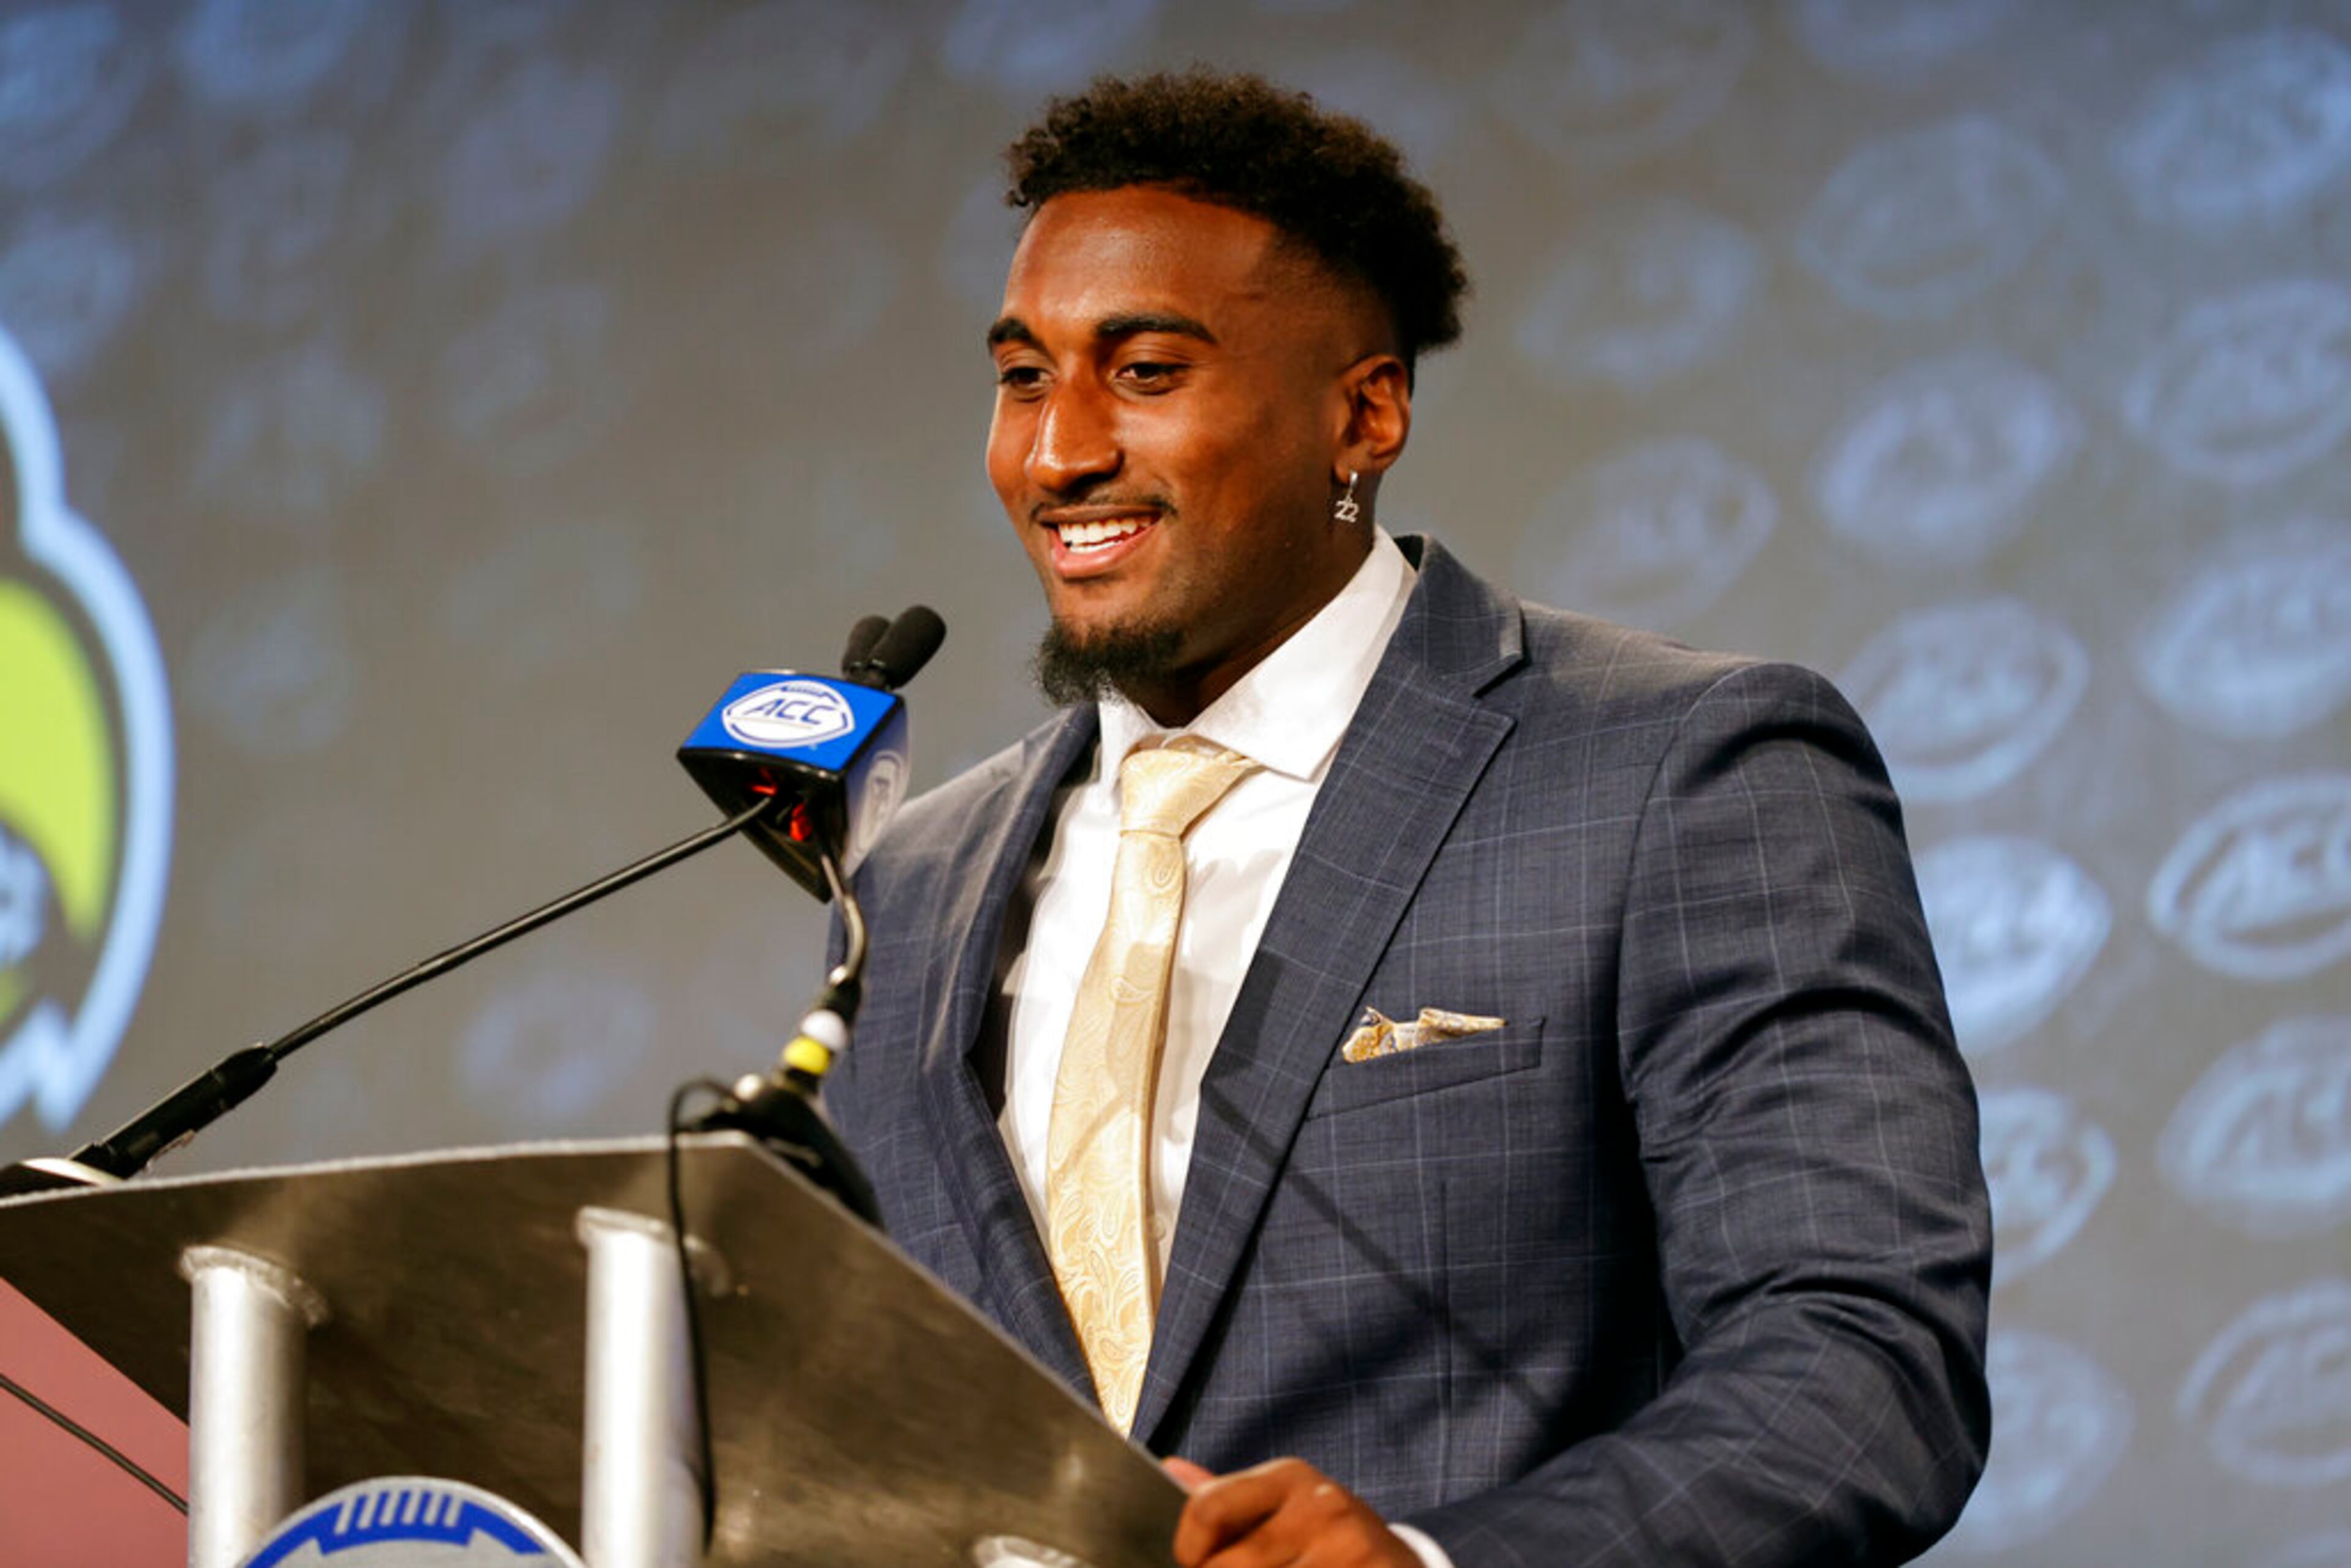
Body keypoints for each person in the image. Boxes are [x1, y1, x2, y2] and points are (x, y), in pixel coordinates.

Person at [825, 70, 1991, 1567]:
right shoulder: (910, 884)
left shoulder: (1681, 769)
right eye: (1024, 377)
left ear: (1362, 414)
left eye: (1147, 370)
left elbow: (1859, 1365)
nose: (1058, 454)